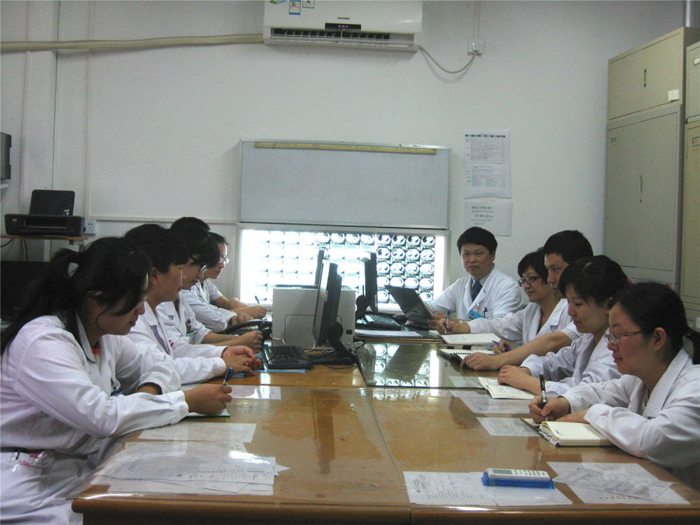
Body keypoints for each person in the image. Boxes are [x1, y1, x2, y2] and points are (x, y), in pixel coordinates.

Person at [0, 238, 232, 524]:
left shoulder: (104, 334)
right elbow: (101, 417)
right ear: (98, 299)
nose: (142, 310)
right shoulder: (43, 342)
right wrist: (185, 401)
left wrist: (147, 395)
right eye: (136, 300)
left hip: (74, 468)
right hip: (27, 483)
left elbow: (161, 366)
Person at [530, 282, 700, 490]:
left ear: (657, 338)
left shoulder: (694, 388)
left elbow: (653, 440)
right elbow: (601, 391)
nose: (611, 345)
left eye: (619, 336)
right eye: (610, 336)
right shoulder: (640, 379)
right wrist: (565, 403)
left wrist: (591, 414)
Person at [124, 225, 259, 384]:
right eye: (180, 268)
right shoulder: (133, 321)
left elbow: (177, 350)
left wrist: (224, 353)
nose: (183, 277)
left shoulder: (157, 309)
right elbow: (158, 369)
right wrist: (221, 363)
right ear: (154, 274)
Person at [497, 255, 627, 396]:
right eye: (569, 302)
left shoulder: (618, 349)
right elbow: (554, 362)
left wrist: (526, 381)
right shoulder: (589, 338)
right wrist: (526, 370)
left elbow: (585, 395)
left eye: (578, 304)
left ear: (608, 305)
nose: (570, 312)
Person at [463, 229, 592, 370]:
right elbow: (502, 325)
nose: (550, 279)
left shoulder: (585, 310)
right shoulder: (532, 310)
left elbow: (553, 342)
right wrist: (516, 355)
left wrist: (500, 360)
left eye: (555, 269)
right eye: (548, 270)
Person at [437, 249, 571, 349]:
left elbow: (550, 352)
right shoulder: (531, 311)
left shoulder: (569, 312)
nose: (526, 286)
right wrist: (459, 326)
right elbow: (499, 325)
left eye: (531, 279)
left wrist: (515, 355)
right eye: (523, 280)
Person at [161, 224, 264, 351]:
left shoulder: (180, 295)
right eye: (199, 265)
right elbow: (178, 352)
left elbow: (199, 333)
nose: (200, 275)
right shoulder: (170, 299)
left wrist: (236, 339)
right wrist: (236, 342)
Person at [430, 226, 523, 322]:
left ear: (492, 255)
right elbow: (431, 309)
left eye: (478, 254)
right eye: (466, 254)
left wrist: (455, 323)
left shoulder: (507, 287)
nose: (471, 260)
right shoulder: (460, 285)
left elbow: (500, 325)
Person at [182, 232, 267, 331]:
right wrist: (245, 312)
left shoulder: (206, 282)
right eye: (218, 259)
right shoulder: (186, 288)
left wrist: (234, 302)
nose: (222, 265)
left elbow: (223, 304)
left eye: (224, 260)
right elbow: (214, 319)